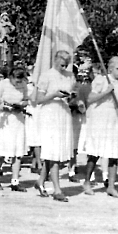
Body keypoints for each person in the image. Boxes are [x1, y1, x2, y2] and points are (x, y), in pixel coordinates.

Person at [82, 56, 118, 197]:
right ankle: (87, 182)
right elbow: (90, 99)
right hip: (100, 117)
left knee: (114, 153)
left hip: (114, 118)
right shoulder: (101, 80)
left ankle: (111, 186)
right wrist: (106, 91)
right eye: (117, 69)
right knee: (95, 152)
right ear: (110, 68)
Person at [35, 51, 76, 202]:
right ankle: (57, 190)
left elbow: (71, 94)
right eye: (62, 62)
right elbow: (38, 99)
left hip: (63, 114)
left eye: (66, 62)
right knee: (53, 152)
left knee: (56, 152)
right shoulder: (46, 76)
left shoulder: (70, 76)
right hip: (50, 114)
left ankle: (40, 181)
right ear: (55, 60)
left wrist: (72, 98)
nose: (64, 65)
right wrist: (54, 94)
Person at [0, 66, 30, 191]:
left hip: (18, 119)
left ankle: (15, 181)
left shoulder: (23, 85)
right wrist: (5, 107)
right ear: (11, 78)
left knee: (18, 151)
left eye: (20, 81)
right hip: (6, 119)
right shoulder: (2, 85)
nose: (18, 83)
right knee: (2, 150)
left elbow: (26, 99)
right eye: (16, 81)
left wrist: (22, 105)